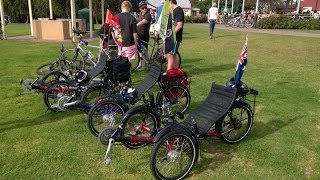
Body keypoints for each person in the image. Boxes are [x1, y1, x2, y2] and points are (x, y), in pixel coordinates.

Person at [167, 0, 184, 71]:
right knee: (173, 54)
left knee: (171, 54)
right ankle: (175, 71)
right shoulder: (171, 11)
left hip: (175, 38)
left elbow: (180, 24)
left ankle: (168, 72)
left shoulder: (178, 10)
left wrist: (172, 34)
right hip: (170, 37)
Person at [136, 1, 152, 70]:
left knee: (144, 50)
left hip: (144, 36)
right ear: (140, 8)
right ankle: (141, 63)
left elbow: (143, 22)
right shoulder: (140, 14)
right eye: (143, 8)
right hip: (138, 35)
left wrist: (135, 25)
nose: (145, 9)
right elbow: (137, 21)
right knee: (139, 50)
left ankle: (147, 65)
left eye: (146, 7)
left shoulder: (148, 15)